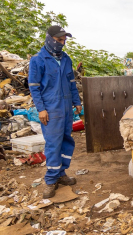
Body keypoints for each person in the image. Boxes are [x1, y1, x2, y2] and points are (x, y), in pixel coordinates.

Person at [28, 25, 82, 198]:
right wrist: (41, 109)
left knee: (66, 140)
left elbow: (72, 82)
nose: (62, 43)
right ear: (50, 39)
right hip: (51, 108)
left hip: (66, 106)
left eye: (64, 40)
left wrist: (77, 101)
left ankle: (61, 173)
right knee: (53, 143)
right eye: (59, 40)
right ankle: (51, 181)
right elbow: (34, 87)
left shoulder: (66, 59)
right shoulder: (38, 60)